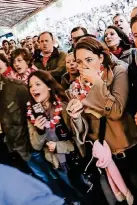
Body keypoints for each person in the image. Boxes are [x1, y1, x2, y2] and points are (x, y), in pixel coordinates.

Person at [67, 37, 137, 204]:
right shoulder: (76, 87)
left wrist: (96, 82)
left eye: (89, 60)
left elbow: (116, 111)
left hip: (128, 148)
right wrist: (76, 117)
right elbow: (82, 131)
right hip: (104, 152)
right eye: (79, 62)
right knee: (118, 198)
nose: (83, 66)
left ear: (101, 57)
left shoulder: (117, 72)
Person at [0, 58, 63, 196]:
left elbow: (36, 111)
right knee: (40, 178)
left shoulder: (17, 88)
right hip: (18, 147)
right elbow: (3, 112)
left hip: (33, 145)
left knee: (51, 175)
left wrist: (39, 138)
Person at [27, 71, 84, 203]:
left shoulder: (64, 106)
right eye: (30, 86)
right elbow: (36, 145)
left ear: (48, 86)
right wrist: (39, 131)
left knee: (89, 191)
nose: (33, 88)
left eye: (37, 84)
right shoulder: (33, 114)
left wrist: (58, 146)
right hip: (57, 165)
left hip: (76, 160)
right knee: (76, 191)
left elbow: (79, 137)